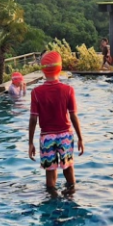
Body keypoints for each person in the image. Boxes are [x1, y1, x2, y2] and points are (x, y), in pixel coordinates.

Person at [29, 51, 85, 189]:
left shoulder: (36, 93)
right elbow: (73, 116)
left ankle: (51, 202)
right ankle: (71, 196)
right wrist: (80, 138)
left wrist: (30, 142)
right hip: (65, 135)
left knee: (50, 172)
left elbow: (33, 120)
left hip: (47, 137)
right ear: (60, 68)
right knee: (68, 168)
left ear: (43, 69)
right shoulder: (68, 90)